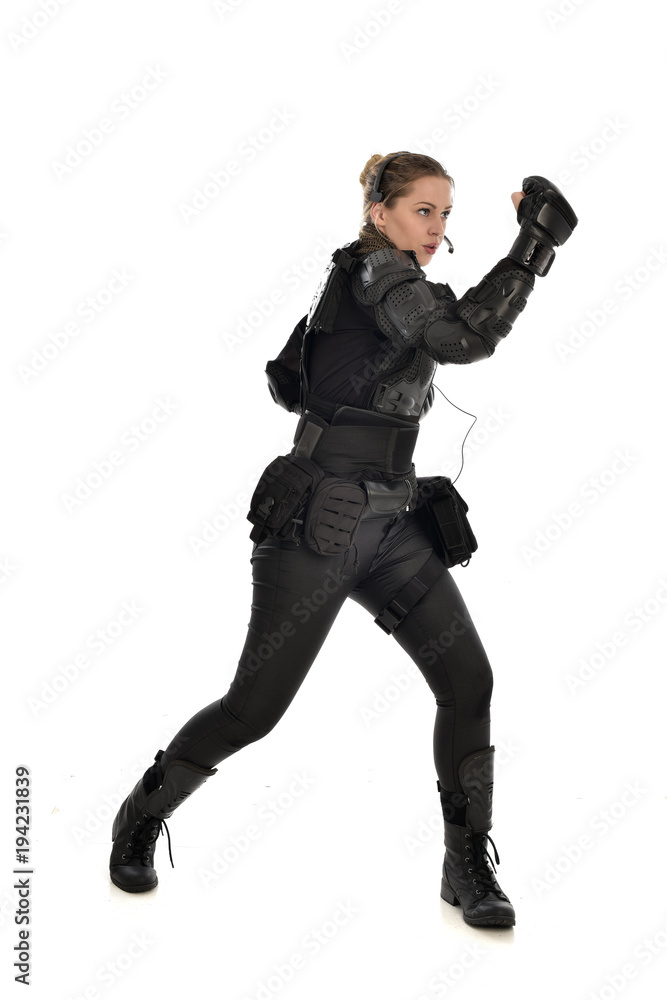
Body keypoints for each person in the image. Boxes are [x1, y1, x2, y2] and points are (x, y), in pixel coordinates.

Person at [108, 151, 577, 928]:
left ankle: (465, 866)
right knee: (254, 710)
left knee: (468, 682)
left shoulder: (400, 285)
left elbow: (419, 341)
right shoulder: (373, 274)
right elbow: (462, 340)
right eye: (422, 210)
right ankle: (142, 812)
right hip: (318, 523)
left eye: (446, 214)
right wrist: (532, 247)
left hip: (391, 522)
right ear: (379, 212)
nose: (436, 228)